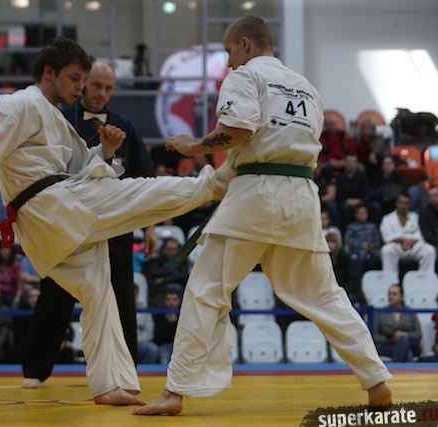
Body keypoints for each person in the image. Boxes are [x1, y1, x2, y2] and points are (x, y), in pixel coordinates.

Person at [0, 35, 227, 406]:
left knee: (97, 290)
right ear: (49, 72)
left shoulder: (57, 122)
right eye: (75, 78)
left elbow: (81, 168)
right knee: (135, 193)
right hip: (50, 206)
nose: (80, 87)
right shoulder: (19, 102)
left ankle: (109, 384)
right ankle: (215, 183)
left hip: (48, 223)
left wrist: (105, 151)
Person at [134, 16, 392, 416]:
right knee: (324, 295)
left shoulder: (245, 76)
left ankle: (174, 392)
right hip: (300, 198)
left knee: (205, 290)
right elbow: (282, 145)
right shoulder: (306, 87)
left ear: (245, 43)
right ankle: (376, 380)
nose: (228, 62)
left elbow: (237, 130)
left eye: (228, 51)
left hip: (256, 198)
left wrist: (191, 146)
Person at [21, 61, 157, 385]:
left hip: (115, 224)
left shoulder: (124, 125)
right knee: (55, 293)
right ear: (83, 84)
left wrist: (150, 227)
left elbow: (142, 179)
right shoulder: (60, 121)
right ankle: (35, 371)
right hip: (68, 222)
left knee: (121, 297)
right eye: (96, 85)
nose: (101, 93)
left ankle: (124, 373)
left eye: (108, 88)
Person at [380, 192, 436, 276]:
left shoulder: (415, 217)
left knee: (429, 250)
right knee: (386, 250)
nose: (403, 205)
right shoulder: (387, 218)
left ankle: (425, 279)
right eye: (401, 202)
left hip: (414, 246)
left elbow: (420, 234)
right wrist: (403, 241)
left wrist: (410, 242)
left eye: (406, 203)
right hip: (396, 246)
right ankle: (391, 281)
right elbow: (387, 237)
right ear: (396, 203)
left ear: (410, 204)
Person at [374, 284, 422, 362]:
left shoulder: (410, 312)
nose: (391, 296)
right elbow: (373, 335)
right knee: (408, 353)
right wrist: (389, 339)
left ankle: (394, 367)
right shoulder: (380, 313)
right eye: (389, 294)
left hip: (411, 344)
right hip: (388, 345)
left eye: (394, 294)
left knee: (405, 339)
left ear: (402, 297)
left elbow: (418, 334)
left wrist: (404, 335)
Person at [336, 153, 379, 232]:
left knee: (376, 207)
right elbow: (339, 195)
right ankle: (347, 233)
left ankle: (374, 232)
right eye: (348, 161)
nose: (351, 164)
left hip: (361, 202)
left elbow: (367, 192)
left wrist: (361, 202)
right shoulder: (340, 178)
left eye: (353, 161)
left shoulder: (363, 176)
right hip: (347, 202)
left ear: (357, 163)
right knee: (345, 207)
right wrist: (349, 201)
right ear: (345, 163)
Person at [143, 238, 190, 308]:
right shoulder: (156, 261)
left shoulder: (184, 262)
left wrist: (163, 279)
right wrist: (172, 271)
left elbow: (183, 275)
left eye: (175, 249)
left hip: (181, 291)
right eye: (169, 249)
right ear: (163, 249)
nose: (173, 252)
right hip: (160, 292)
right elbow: (154, 272)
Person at [344, 203, 381, 278]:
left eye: (365, 213)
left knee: (377, 253)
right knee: (362, 254)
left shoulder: (372, 226)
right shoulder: (351, 227)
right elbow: (348, 240)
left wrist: (373, 245)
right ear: (356, 215)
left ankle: (368, 273)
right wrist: (360, 245)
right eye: (360, 213)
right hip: (357, 249)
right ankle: (359, 277)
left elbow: (377, 239)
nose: (363, 215)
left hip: (371, 248)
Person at [326, 233, 362, 307]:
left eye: (332, 242)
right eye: (327, 242)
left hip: (345, 291)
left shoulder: (346, 259)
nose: (330, 244)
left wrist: (341, 292)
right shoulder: (322, 260)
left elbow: (352, 280)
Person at [153, 285, 182, 364]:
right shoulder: (158, 314)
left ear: (179, 300)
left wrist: (175, 322)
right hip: (164, 346)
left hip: (181, 346)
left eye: (174, 299)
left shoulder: (184, 315)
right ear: (164, 300)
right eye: (168, 299)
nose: (171, 303)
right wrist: (167, 323)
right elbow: (157, 337)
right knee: (164, 360)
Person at [134, 284, 158, 364]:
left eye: (134, 294)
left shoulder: (144, 310)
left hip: (139, 343)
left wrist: (138, 340)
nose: (132, 297)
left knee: (152, 349)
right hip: (120, 343)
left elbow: (149, 331)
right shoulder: (117, 309)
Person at [419, 186, 438, 256]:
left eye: (436, 195)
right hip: (434, 244)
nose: (433, 198)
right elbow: (427, 236)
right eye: (430, 196)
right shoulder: (424, 213)